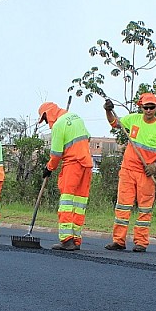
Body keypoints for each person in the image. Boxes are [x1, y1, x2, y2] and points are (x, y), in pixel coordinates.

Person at [104, 92, 156, 253]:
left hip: (146, 173)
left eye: (152, 107)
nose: (148, 110)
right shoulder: (133, 119)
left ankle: (141, 242)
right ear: (141, 107)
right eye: (146, 107)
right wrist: (108, 111)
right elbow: (114, 123)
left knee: (145, 208)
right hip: (128, 170)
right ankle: (118, 241)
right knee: (122, 206)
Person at [38, 101, 92, 251]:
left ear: (48, 114)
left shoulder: (58, 125)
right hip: (86, 164)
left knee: (67, 203)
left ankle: (67, 240)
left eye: (45, 119)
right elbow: (88, 137)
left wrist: (49, 168)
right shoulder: (76, 117)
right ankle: (76, 239)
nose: (47, 123)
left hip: (72, 165)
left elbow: (55, 155)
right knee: (79, 204)